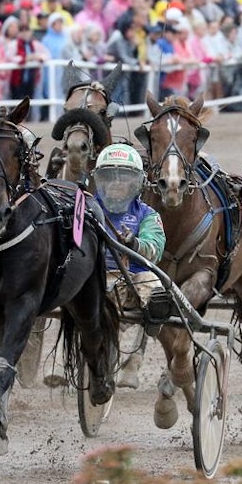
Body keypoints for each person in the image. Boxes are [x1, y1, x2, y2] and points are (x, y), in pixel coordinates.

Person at [92, 144, 166, 391]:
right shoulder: (88, 209)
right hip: (94, 277)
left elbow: (154, 246)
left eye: (123, 179)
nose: (115, 184)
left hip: (131, 279)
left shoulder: (147, 215)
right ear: (99, 180)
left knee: (149, 280)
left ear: (136, 184)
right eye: (109, 178)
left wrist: (134, 243)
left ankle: (156, 309)